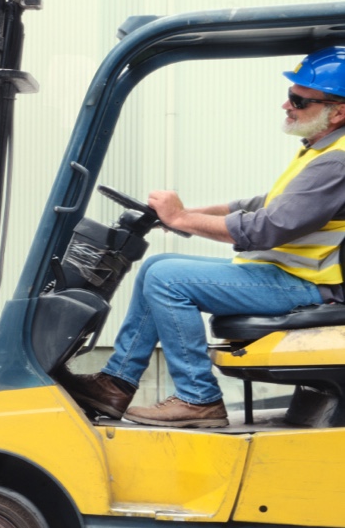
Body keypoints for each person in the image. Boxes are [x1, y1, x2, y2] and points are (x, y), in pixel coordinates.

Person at [66, 48, 345, 429]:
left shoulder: (336, 161)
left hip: (307, 285)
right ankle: (116, 383)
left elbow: (267, 227)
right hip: (289, 276)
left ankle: (199, 399)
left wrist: (183, 217)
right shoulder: (321, 151)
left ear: (339, 112)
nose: (286, 105)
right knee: (158, 267)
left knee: (169, 279)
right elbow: (257, 205)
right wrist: (183, 218)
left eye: (298, 99)